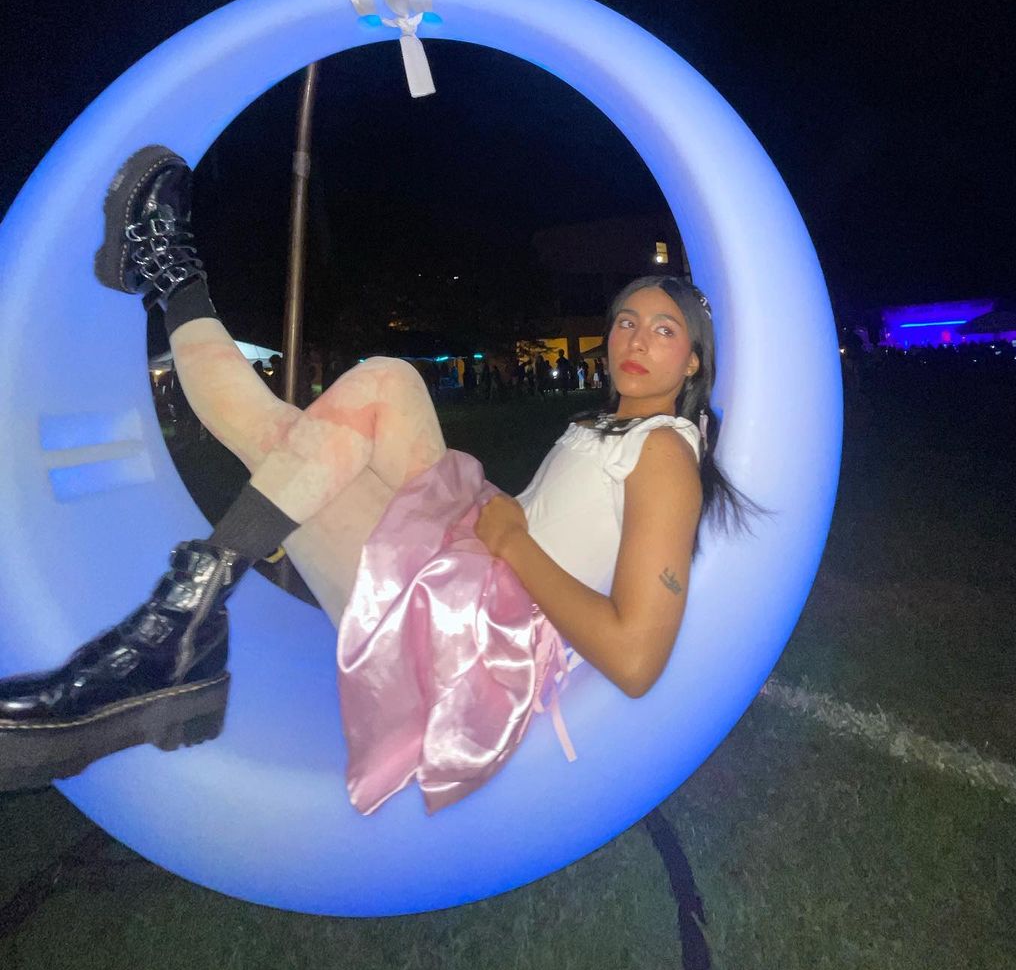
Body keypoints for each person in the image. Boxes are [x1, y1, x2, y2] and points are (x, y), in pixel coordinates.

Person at [0, 145, 749, 809]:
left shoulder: (665, 454)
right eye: (626, 321)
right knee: (382, 387)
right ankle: (170, 277)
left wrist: (514, 544)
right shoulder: (614, 429)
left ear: (693, 362)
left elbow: (636, 659)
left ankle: (174, 622)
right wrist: (504, 530)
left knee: (281, 438)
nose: (635, 340)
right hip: (477, 549)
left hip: (473, 632)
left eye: (663, 331)